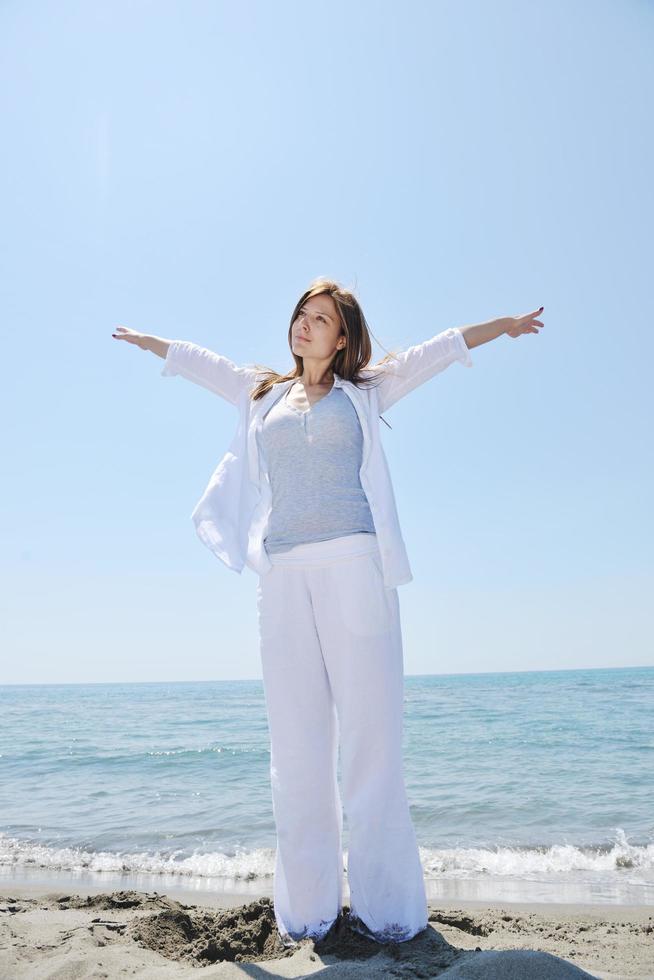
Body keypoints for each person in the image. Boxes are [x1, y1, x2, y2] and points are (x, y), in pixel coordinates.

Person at [112, 278, 544, 946]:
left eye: (320, 319)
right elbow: (205, 363)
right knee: (297, 748)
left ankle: (388, 913)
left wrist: (501, 326)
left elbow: (435, 351)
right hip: (283, 576)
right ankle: (308, 912)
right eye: (300, 316)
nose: (305, 326)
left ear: (342, 337)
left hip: (355, 569)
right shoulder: (261, 392)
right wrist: (152, 345)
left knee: (371, 744)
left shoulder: (367, 392)